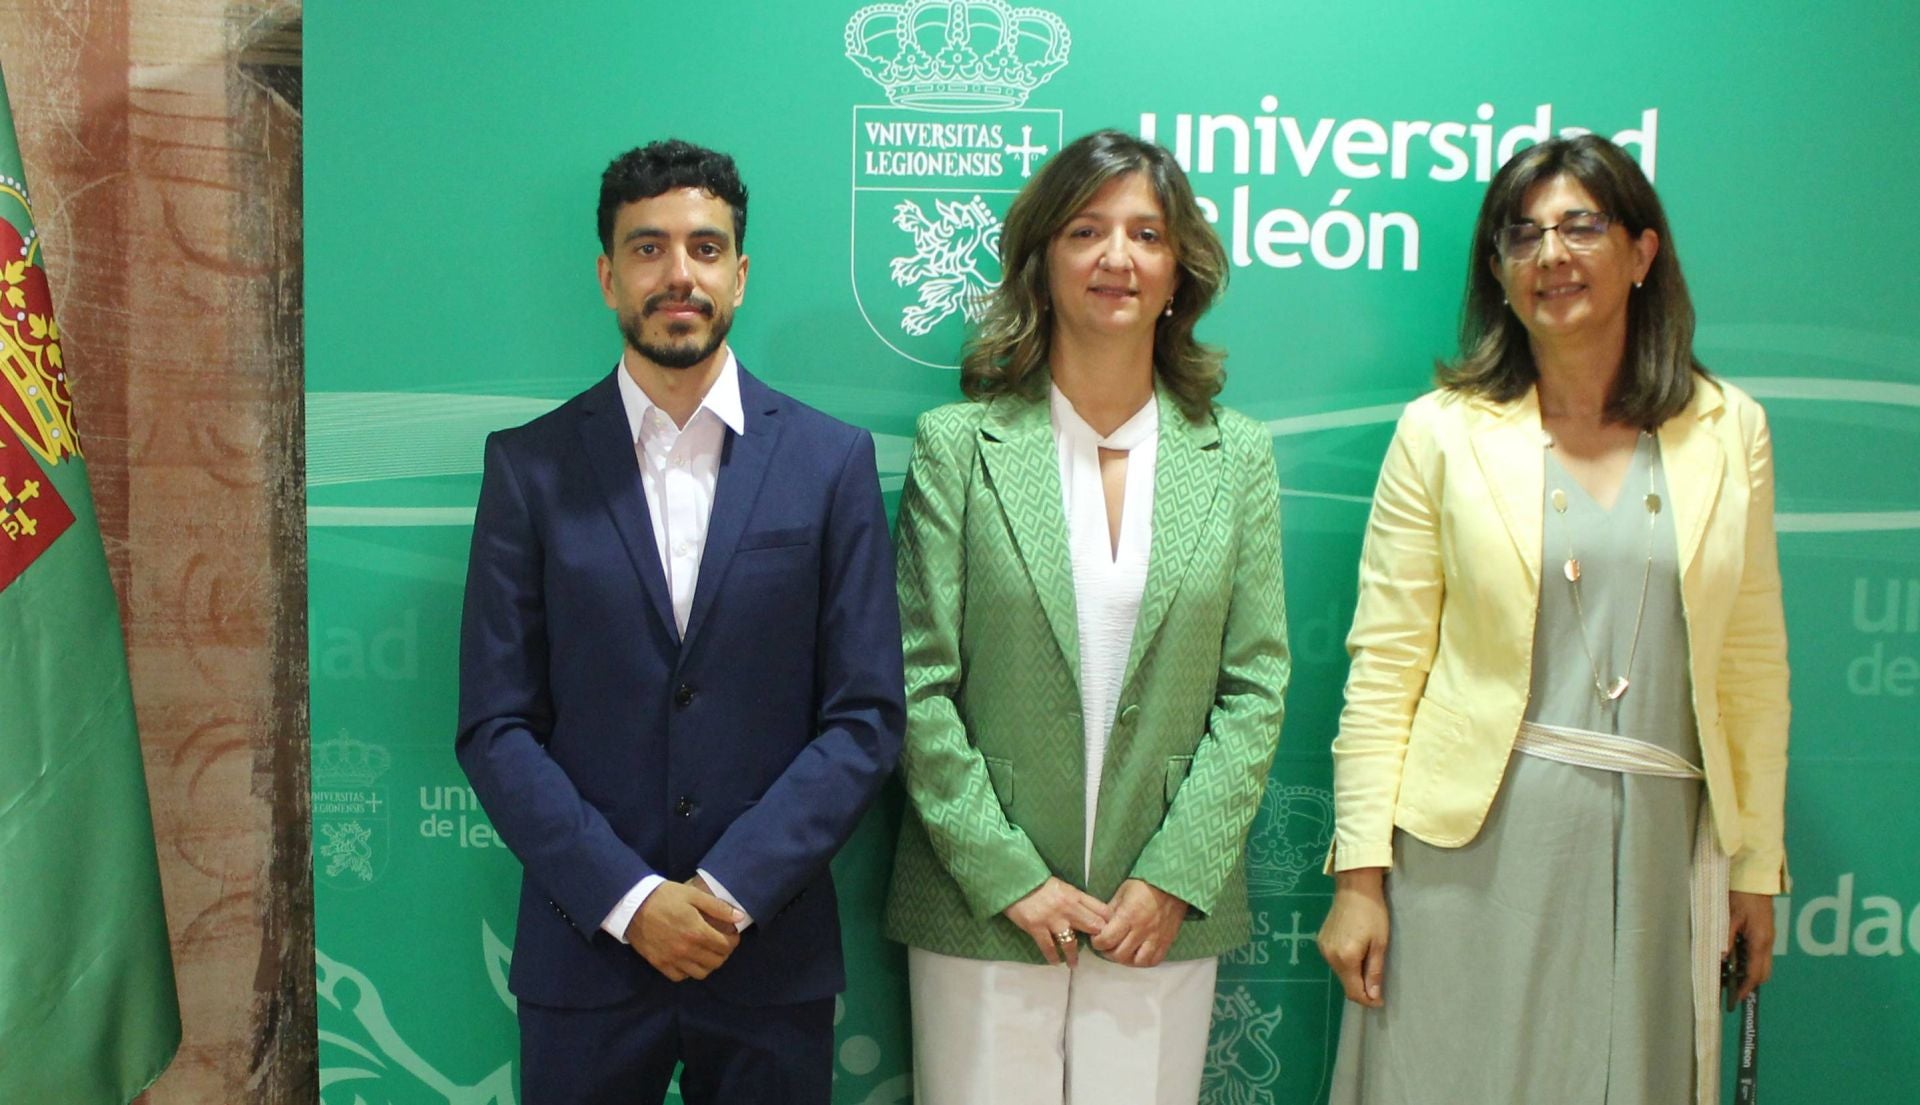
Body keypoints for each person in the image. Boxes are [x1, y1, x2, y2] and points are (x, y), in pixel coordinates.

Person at [1319, 134, 1789, 1105]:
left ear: (1643, 254)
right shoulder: (1440, 432)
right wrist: (1359, 879)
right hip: (1472, 845)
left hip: (1663, 844)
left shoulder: (1726, 427)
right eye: (1522, 235)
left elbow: (1751, 660)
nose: (1552, 256)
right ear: (1496, 270)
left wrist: (1755, 865)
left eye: (1582, 226)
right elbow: (1384, 667)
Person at [455, 139, 905, 1105]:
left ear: (739, 275)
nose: (678, 274)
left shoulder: (830, 464)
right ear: (608, 274)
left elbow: (865, 716)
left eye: (705, 248)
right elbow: (496, 725)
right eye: (649, 248)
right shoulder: (528, 469)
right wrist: (631, 901)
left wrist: (728, 890)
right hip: (586, 957)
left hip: (768, 954)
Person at [884, 129, 1290, 1105]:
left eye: (1146, 234)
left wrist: (1175, 874)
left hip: (1160, 911)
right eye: (1086, 230)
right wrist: (1007, 873)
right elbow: (916, 679)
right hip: (985, 906)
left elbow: (1257, 683)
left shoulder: (1235, 456)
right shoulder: (958, 447)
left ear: (1177, 270)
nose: (1117, 257)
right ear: (1043, 260)